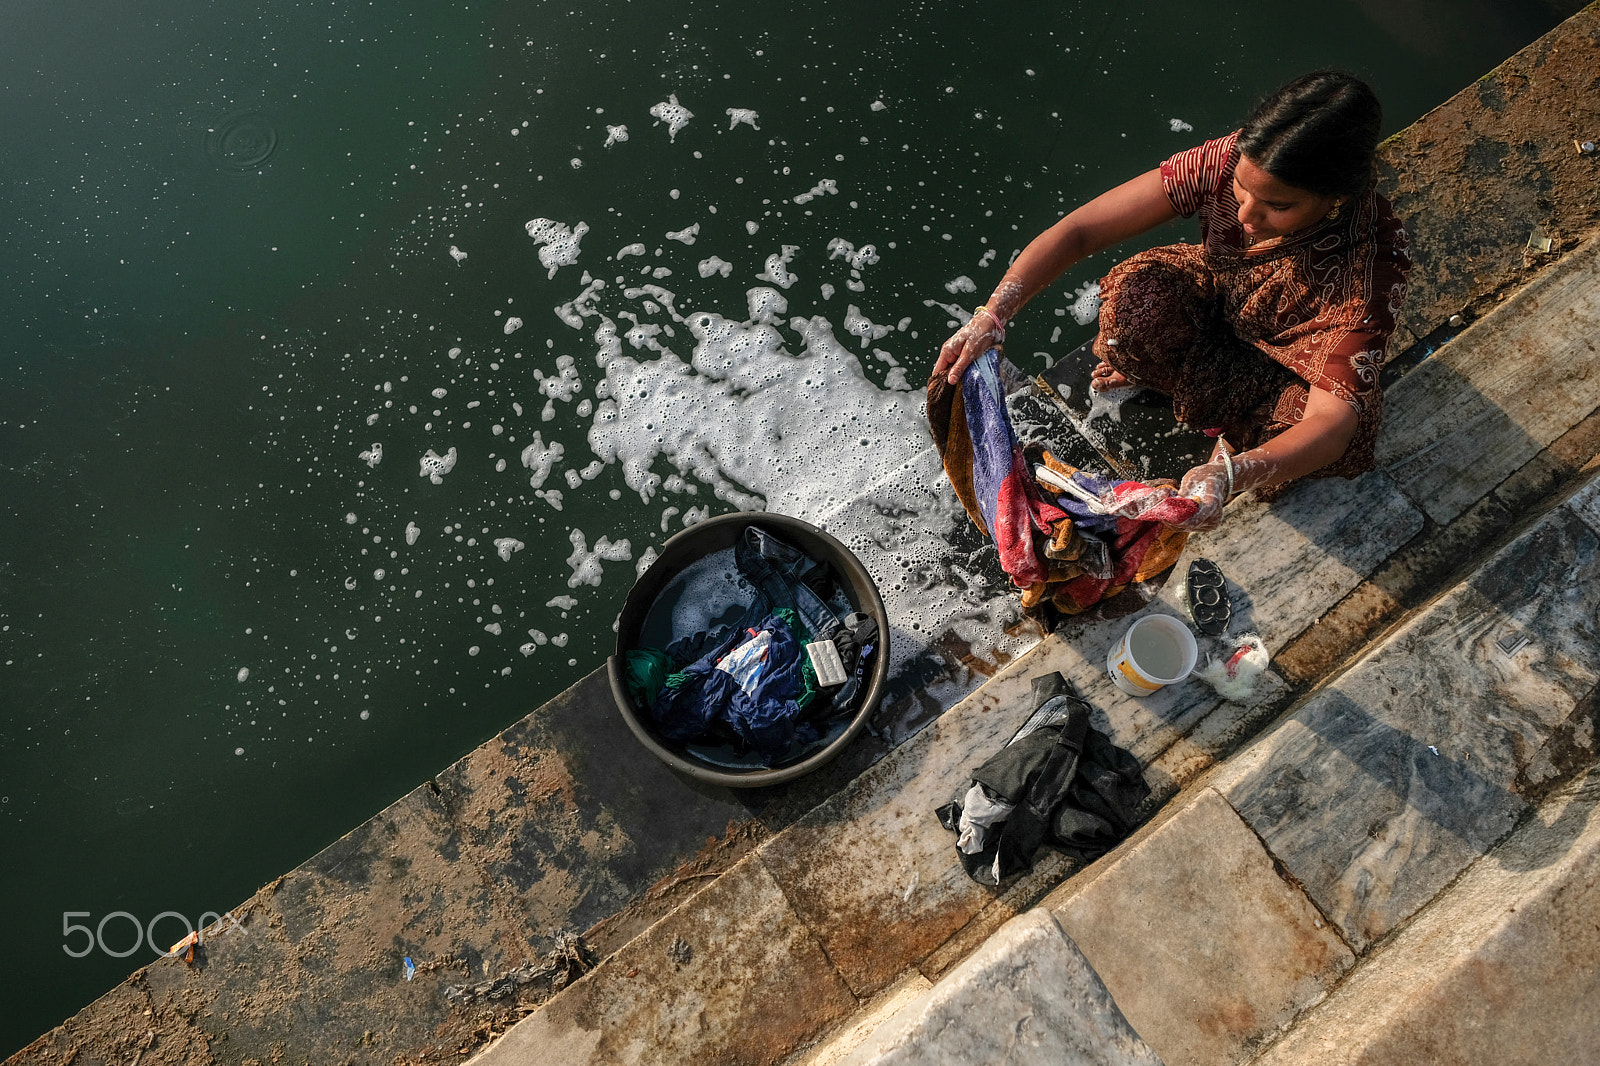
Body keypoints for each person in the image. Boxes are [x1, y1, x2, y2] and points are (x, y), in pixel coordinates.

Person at [933, 71, 1411, 532]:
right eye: (1241, 190)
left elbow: (1333, 424)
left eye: (1277, 206)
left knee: (1298, 438)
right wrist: (992, 315)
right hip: (1225, 302)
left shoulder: (1368, 272)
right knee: (1135, 307)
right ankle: (1173, 382)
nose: (1246, 213)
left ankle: (1230, 436)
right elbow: (1080, 232)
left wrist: (1230, 474)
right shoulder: (1228, 160)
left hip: (1285, 372)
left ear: (1337, 199)